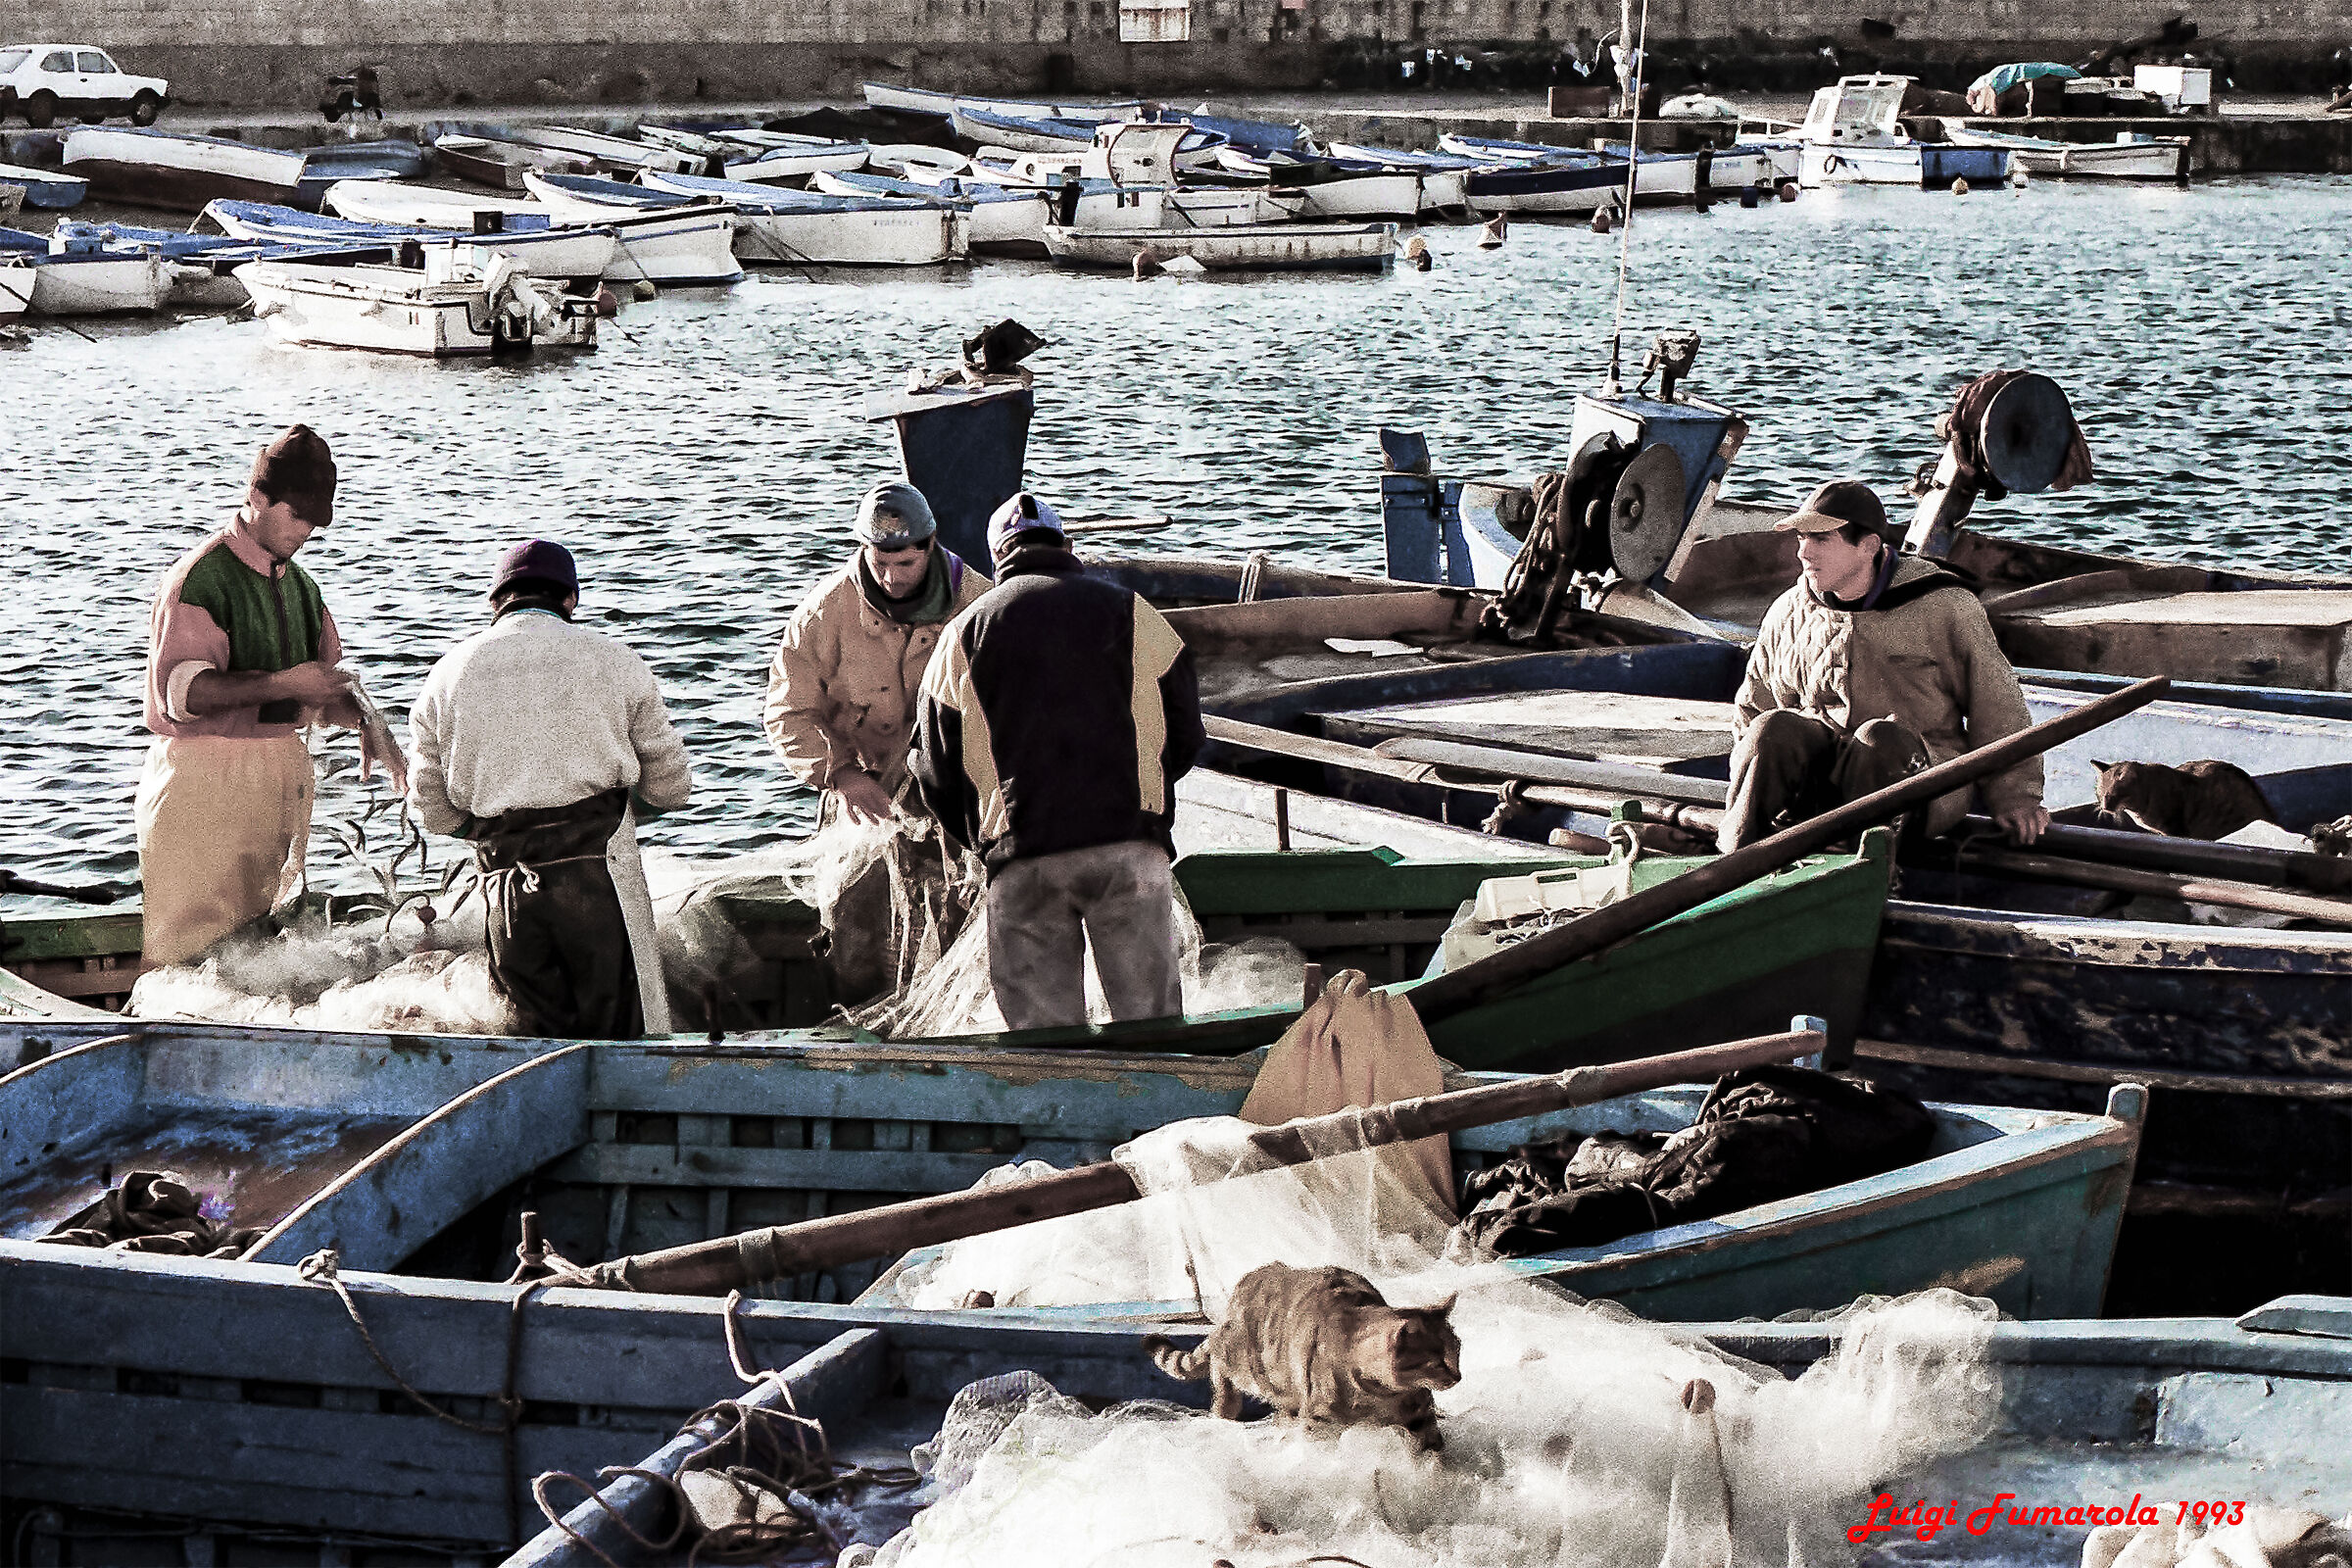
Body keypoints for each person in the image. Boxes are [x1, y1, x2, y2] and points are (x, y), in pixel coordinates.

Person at [909, 491, 1206, 1031]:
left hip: (1024, 861)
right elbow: (1186, 733)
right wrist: (1144, 805)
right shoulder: (1134, 613)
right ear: (1068, 545)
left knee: (1046, 1046)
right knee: (1153, 1030)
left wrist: (988, 841)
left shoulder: (961, 635)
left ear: (998, 556)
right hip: (1128, 849)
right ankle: (1163, 1109)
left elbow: (934, 772)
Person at [138, 423, 407, 966]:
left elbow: (319, 692)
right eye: (296, 515)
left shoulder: (304, 587)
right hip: (203, 779)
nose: (305, 531)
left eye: (315, 520)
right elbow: (181, 695)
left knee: (260, 949)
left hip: (278, 775)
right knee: (186, 954)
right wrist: (285, 683)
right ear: (257, 498)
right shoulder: (199, 579)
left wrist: (367, 722)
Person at [407, 540, 692, 1039]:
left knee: (534, 1042)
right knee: (625, 1039)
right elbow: (671, 785)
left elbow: (430, 809)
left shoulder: (446, 675)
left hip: (506, 888)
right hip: (600, 881)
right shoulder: (616, 660)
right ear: (571, 600)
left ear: (496, 602)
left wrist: (486, 831)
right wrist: (628, 814)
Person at [1721, 479, 2050, 854]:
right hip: (1821, 782)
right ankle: (1735, 861)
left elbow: (1998, 706)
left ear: (1868, 546)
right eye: (1801, 539)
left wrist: (2016, 798)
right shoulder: (1788, 611)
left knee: (1881, 740)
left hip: (1918, 778)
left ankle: (1868, 867)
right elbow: (1752, 709)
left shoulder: (1945, 607)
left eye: (1821, 540)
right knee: (1771, 728)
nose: (1803, 553)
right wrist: (1755, 781)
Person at [762, 481, 991, 827]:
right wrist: (840, 774)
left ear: (930, 545)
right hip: (864, 796)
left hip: (965, 793)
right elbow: (787, 713)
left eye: (905, 563)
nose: (890, 578)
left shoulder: (980, 604)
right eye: (880, 562)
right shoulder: (822, 614)